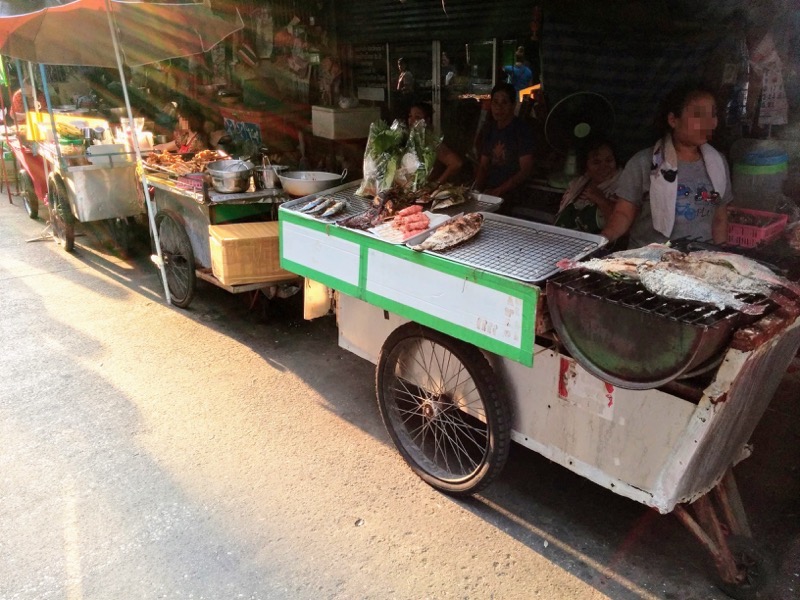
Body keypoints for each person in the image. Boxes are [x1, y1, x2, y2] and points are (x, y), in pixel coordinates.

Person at [601, 83, 732, 248]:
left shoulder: (718, 163)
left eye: (713, 115)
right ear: (673, 120)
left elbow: (719, 218)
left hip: (700, 263)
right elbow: (623, 214)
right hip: (649, 261)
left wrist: (722, 255)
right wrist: (601, 239)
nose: (709, 123)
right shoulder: (644, 162)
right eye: (698, 115)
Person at [474, 82, 535, 206]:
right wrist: (475, 192)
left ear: (513, 105)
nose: (498, 108)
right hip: (490, 191)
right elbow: (484, 166)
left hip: (513, 194)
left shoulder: (522, 130)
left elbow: (525, 170)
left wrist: (498, 191)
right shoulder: (489, 129)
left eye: (504, 103)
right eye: (495, 102)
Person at [554, 137, 620, 233]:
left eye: (609, 161)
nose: (604, 167)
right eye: (596, 162)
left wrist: (601, 199)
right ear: (586, 165)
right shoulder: (576, 186)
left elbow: (621, 224)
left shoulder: (624, 187)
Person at [408, 102, 463, 185]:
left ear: (427, 120)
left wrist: (436, 184)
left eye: (417, 117)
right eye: (410, 116)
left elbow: (456, 163)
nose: (412, 120)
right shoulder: (411, 141)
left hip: (425, 193)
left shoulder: (431, 141)